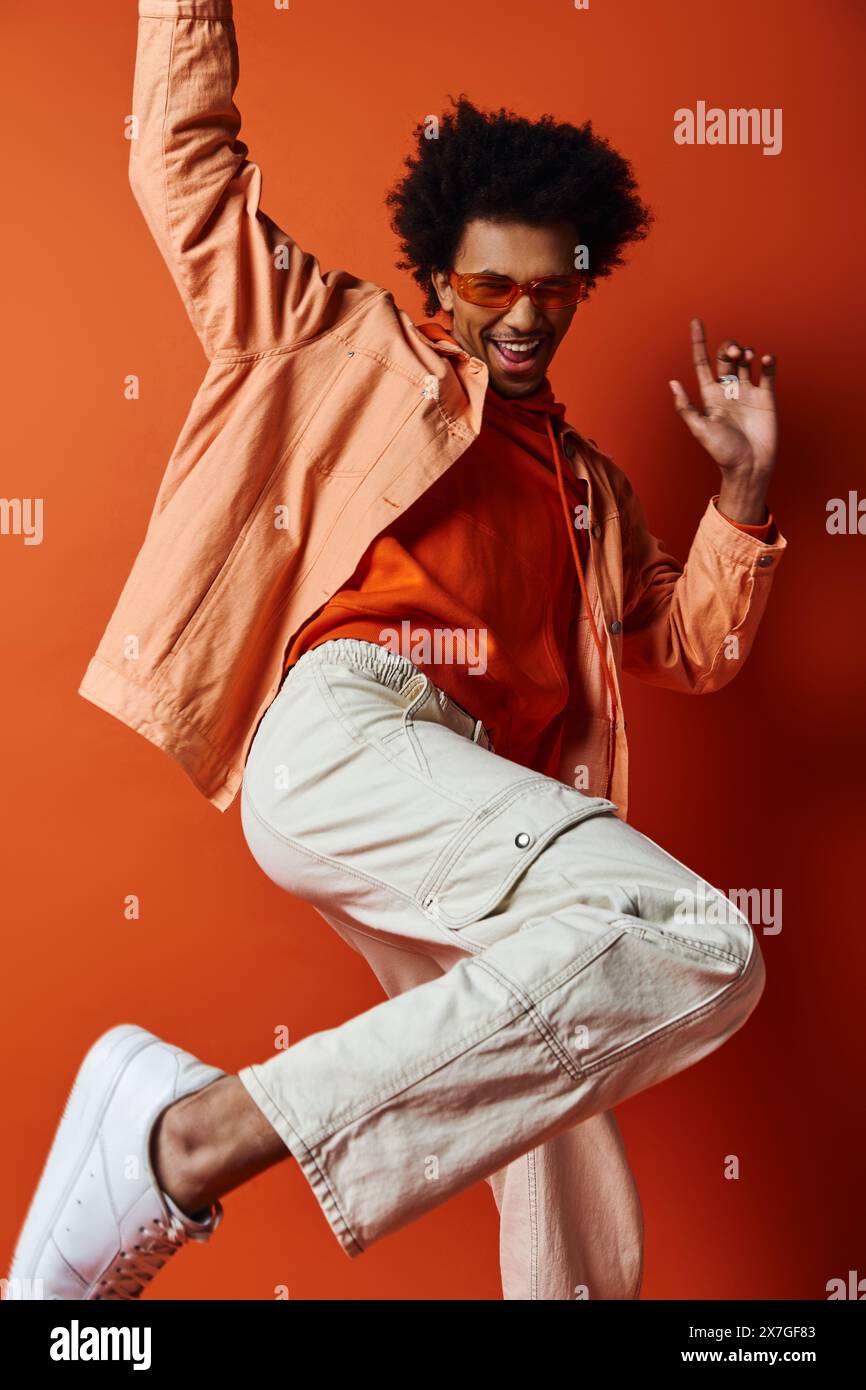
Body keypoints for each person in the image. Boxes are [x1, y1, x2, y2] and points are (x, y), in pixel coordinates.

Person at [6, 0, 786, 1302]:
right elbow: (181, 168)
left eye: (553, 285)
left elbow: (685, 643)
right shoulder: (324, 336)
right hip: (350, 728)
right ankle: (187, 1138)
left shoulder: (584, 487)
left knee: (560, 1069)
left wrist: (748, 490)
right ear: (436, 278)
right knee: (683, 931)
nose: (523, 317)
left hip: (467, 782)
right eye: (491, 287)